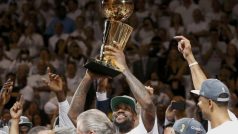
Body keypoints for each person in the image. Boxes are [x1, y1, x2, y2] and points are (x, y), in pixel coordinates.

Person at [174, 35, 238, 134]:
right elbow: (203, 86)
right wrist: (189, 57)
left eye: (200, 99)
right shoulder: (232, 119)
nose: (198, 104)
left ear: (210, 103)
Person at [104, 44, 158, 134]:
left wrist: (123, 67)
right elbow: (74, 117)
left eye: (127, 109)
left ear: (135, 117)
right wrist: (88, 77)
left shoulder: (143, 129)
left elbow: (147, 104)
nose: (120, 110)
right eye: (116, 108)